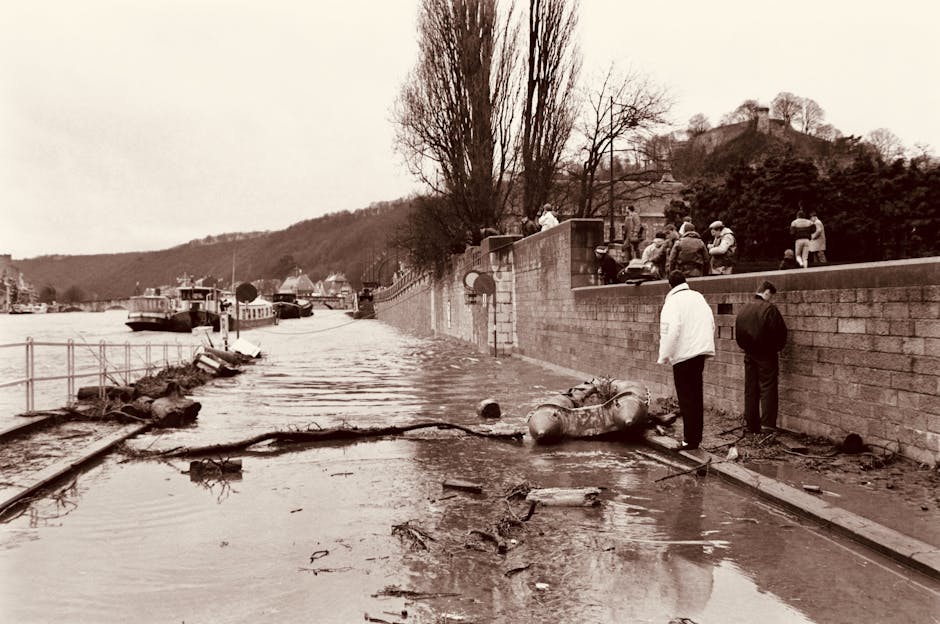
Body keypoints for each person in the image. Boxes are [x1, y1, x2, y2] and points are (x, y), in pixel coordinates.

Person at [658, 271, 716, 450]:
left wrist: (664, 356)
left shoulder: (672, 302)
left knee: (686, 398)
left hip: (683, 355)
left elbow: (670, 331)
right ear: (685, 282)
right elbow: (711, 322)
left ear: (670, 285)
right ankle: (695, 438)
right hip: (700, 353)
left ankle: (689, 440)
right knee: (696, 396)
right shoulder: (698, 297)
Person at [734, 280, 788, 433]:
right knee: (768, 388)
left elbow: (738, 333)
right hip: (766, 354)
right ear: (766, 292)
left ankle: (751, 423)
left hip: (749, 353)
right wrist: (776, 348)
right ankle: (767, 425)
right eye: (770, 296)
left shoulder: (744, 308)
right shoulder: (769, 309)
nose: (770, 299)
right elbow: (780, 333)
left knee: (751, 388)